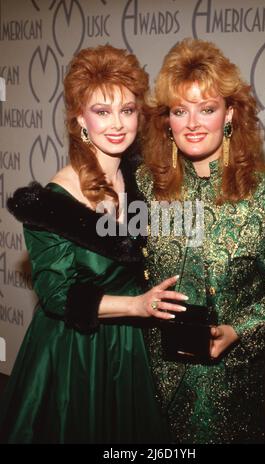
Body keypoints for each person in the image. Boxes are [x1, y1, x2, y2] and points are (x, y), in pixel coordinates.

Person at [0, 44, 187, 444]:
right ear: (80, 119)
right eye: (102, 111)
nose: (117, 123)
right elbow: (57, 296)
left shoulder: (140, 184)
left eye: (127, 109)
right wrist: (137, 305)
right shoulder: (53, 201)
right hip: (73, 353)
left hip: (128, 349)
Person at [136, 38, 265, 444]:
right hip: (150, 381)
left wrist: (239, 330)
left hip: (226, 392)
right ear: (167, 122)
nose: (193, 123)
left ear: (229, 114)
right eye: (180, 110)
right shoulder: (145, 186)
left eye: (206, 109)